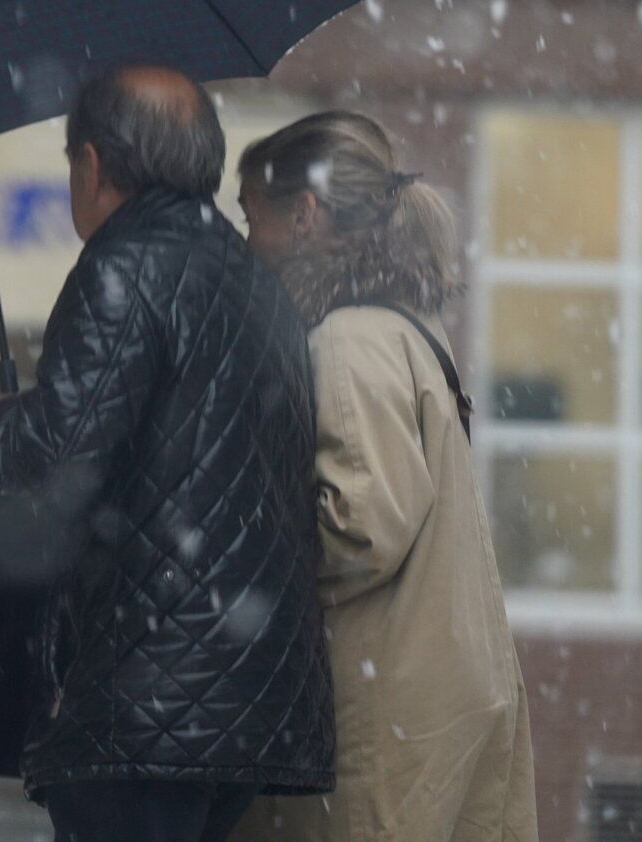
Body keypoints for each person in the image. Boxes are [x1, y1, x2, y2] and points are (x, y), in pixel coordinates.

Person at [0, 64, 335, 842]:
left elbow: (63, 446)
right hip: (249, 696)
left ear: (92, 165)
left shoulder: (125, 265)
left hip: (146, 699)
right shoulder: (254, 283)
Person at [232, 111, 538, 842]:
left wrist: (233, 570)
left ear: (303, 215)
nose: (247, 244)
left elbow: (359, 530)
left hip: (382, 715)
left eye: (252, 219)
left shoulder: (346, 341)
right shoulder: (402, 329)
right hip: (435, 697)